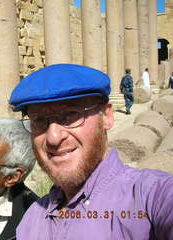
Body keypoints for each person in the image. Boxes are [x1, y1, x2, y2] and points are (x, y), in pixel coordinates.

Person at [9, 64, 173, 239]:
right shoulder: (32, 220)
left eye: (70, 115)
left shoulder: (150, 197)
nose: (53, 138)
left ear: (107, 117)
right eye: (39, 120)